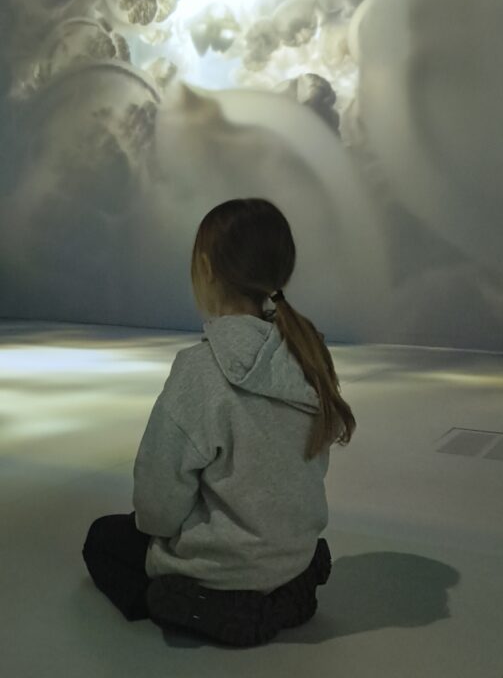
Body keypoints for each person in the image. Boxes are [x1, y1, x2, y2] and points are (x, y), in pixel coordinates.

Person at [82, 197, 356, 647]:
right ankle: (283, 592)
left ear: (206, 269)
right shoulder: (309, 357)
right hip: (293, 558)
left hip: (225, 567)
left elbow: (158, 504)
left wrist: (157, 530)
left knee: (102, 540)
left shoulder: (200, 371)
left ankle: (203, 602)